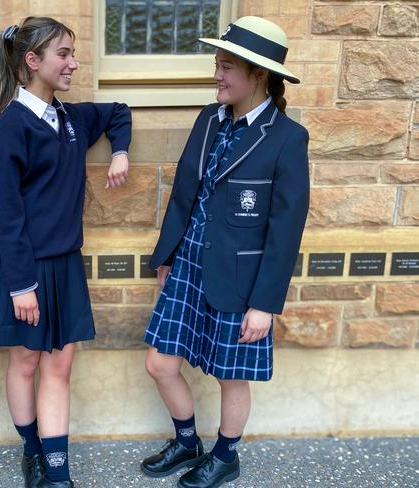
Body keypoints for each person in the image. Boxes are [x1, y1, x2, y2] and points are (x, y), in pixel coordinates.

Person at [139, 16, 310, 488]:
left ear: (259, 74)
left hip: (239, 278)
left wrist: (264, 304)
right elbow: (183, 194)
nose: (217, 74)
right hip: (189, 265)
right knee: (159, 363)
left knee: (231, 376)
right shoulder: (208, 119)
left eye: (227, 66)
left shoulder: (286, 138)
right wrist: (166, 256)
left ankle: (226, 456)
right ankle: (186, 440)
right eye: (217, 63)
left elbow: (285, 230)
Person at [0, 16, 131, 488]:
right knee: (25, 362)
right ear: (32, 60)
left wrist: (119, 151)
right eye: (63, 54)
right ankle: (32, 452)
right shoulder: (12, 128)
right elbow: (7, 214)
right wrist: (21, 285)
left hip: (65, 265)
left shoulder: (70, 118)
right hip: (25, 268)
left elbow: (118, 111)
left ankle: (57, 473)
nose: (73, 63)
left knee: (60, 363)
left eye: (73, 54)